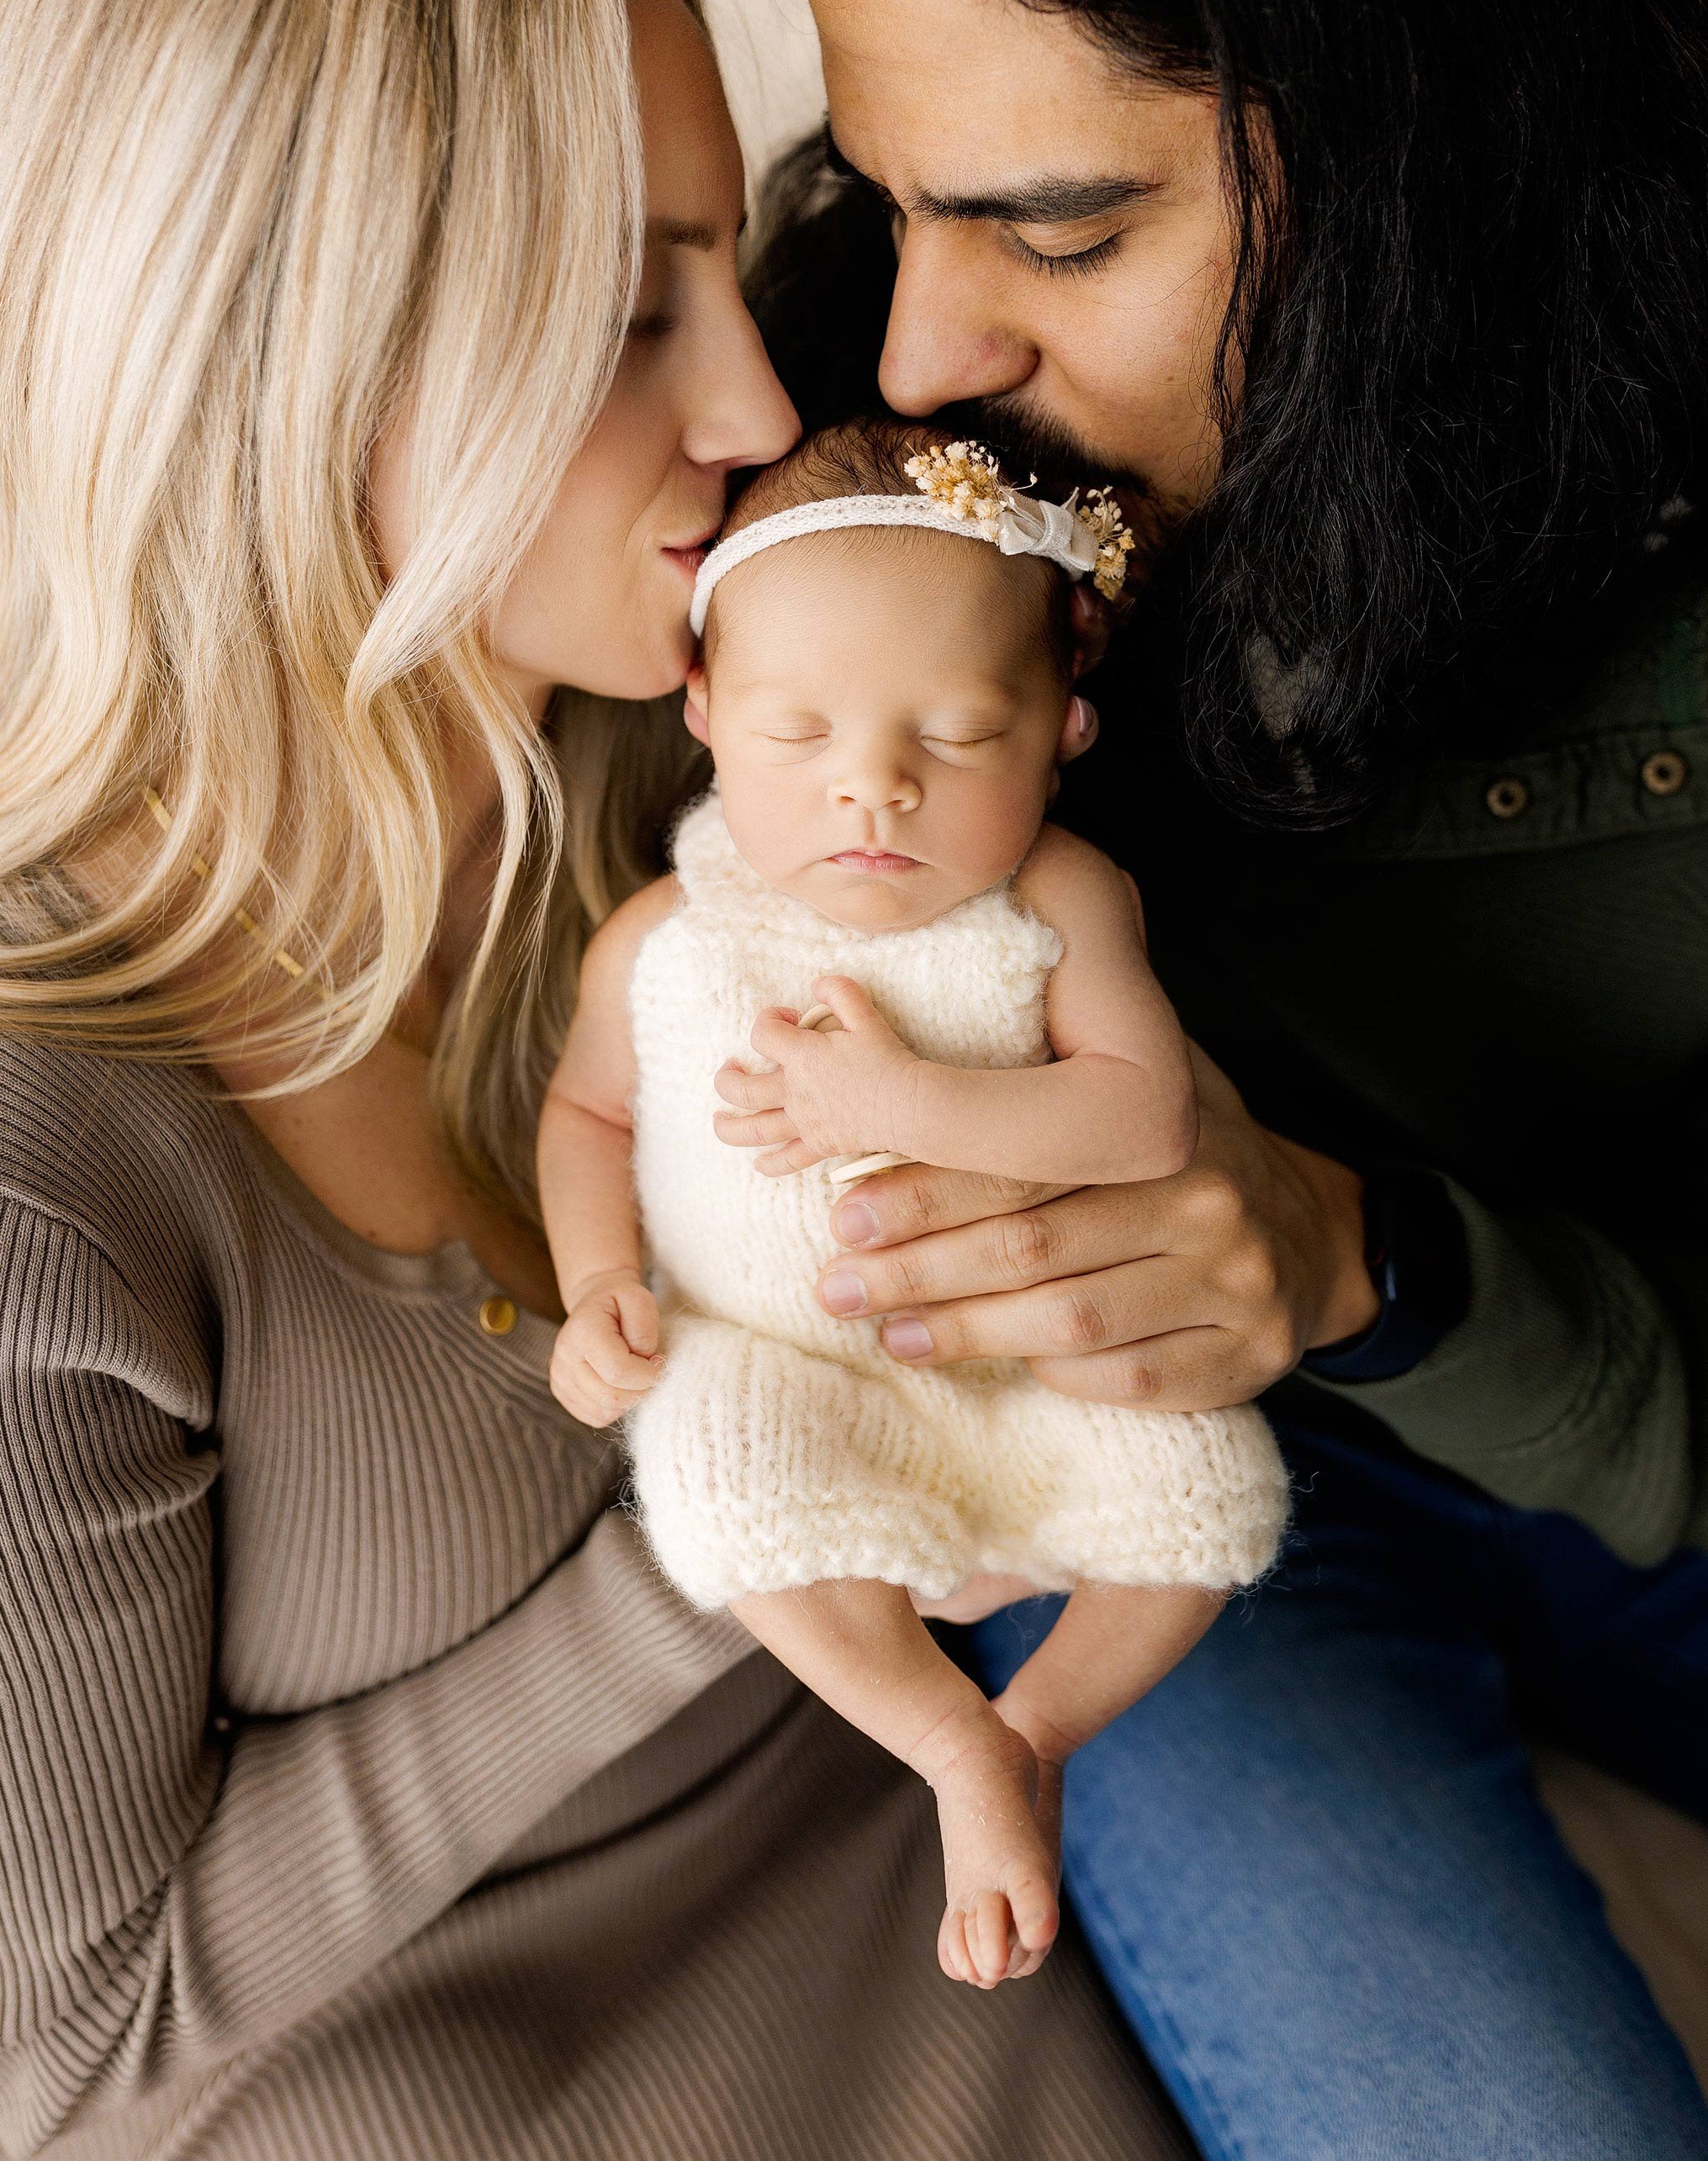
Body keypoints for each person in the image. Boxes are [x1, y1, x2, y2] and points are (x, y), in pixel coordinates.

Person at [0, 0, 1193, 2161]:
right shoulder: (25, 1157)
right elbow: (48, 2049)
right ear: (276, 362)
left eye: (724, 274)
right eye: (634, 311)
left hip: (985, 1879)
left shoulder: (690, 772)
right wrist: (718, 1534)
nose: (752, 417)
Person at [739, 0, 1708, 2156]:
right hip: (1151, 1507)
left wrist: (1354, 1258)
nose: (930, 347)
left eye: (1062, 225)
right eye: (889, 184)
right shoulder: (851, 404)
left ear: (1444, 114)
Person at [542, 416, 1286, 1990]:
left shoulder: (1062, 899)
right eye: (798, 731)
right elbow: (590, 1106)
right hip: (788, 1357)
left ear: (1062, 725)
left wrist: (891, 1103)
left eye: (952, 734)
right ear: (705, 714)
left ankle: (1040, 1726)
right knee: (713, 1464)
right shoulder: (666, 936)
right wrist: (600, 1275)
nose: (872, 789)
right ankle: (945, 1734)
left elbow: (1143, 1113)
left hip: (1038, 1363)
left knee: (1205, 1494)